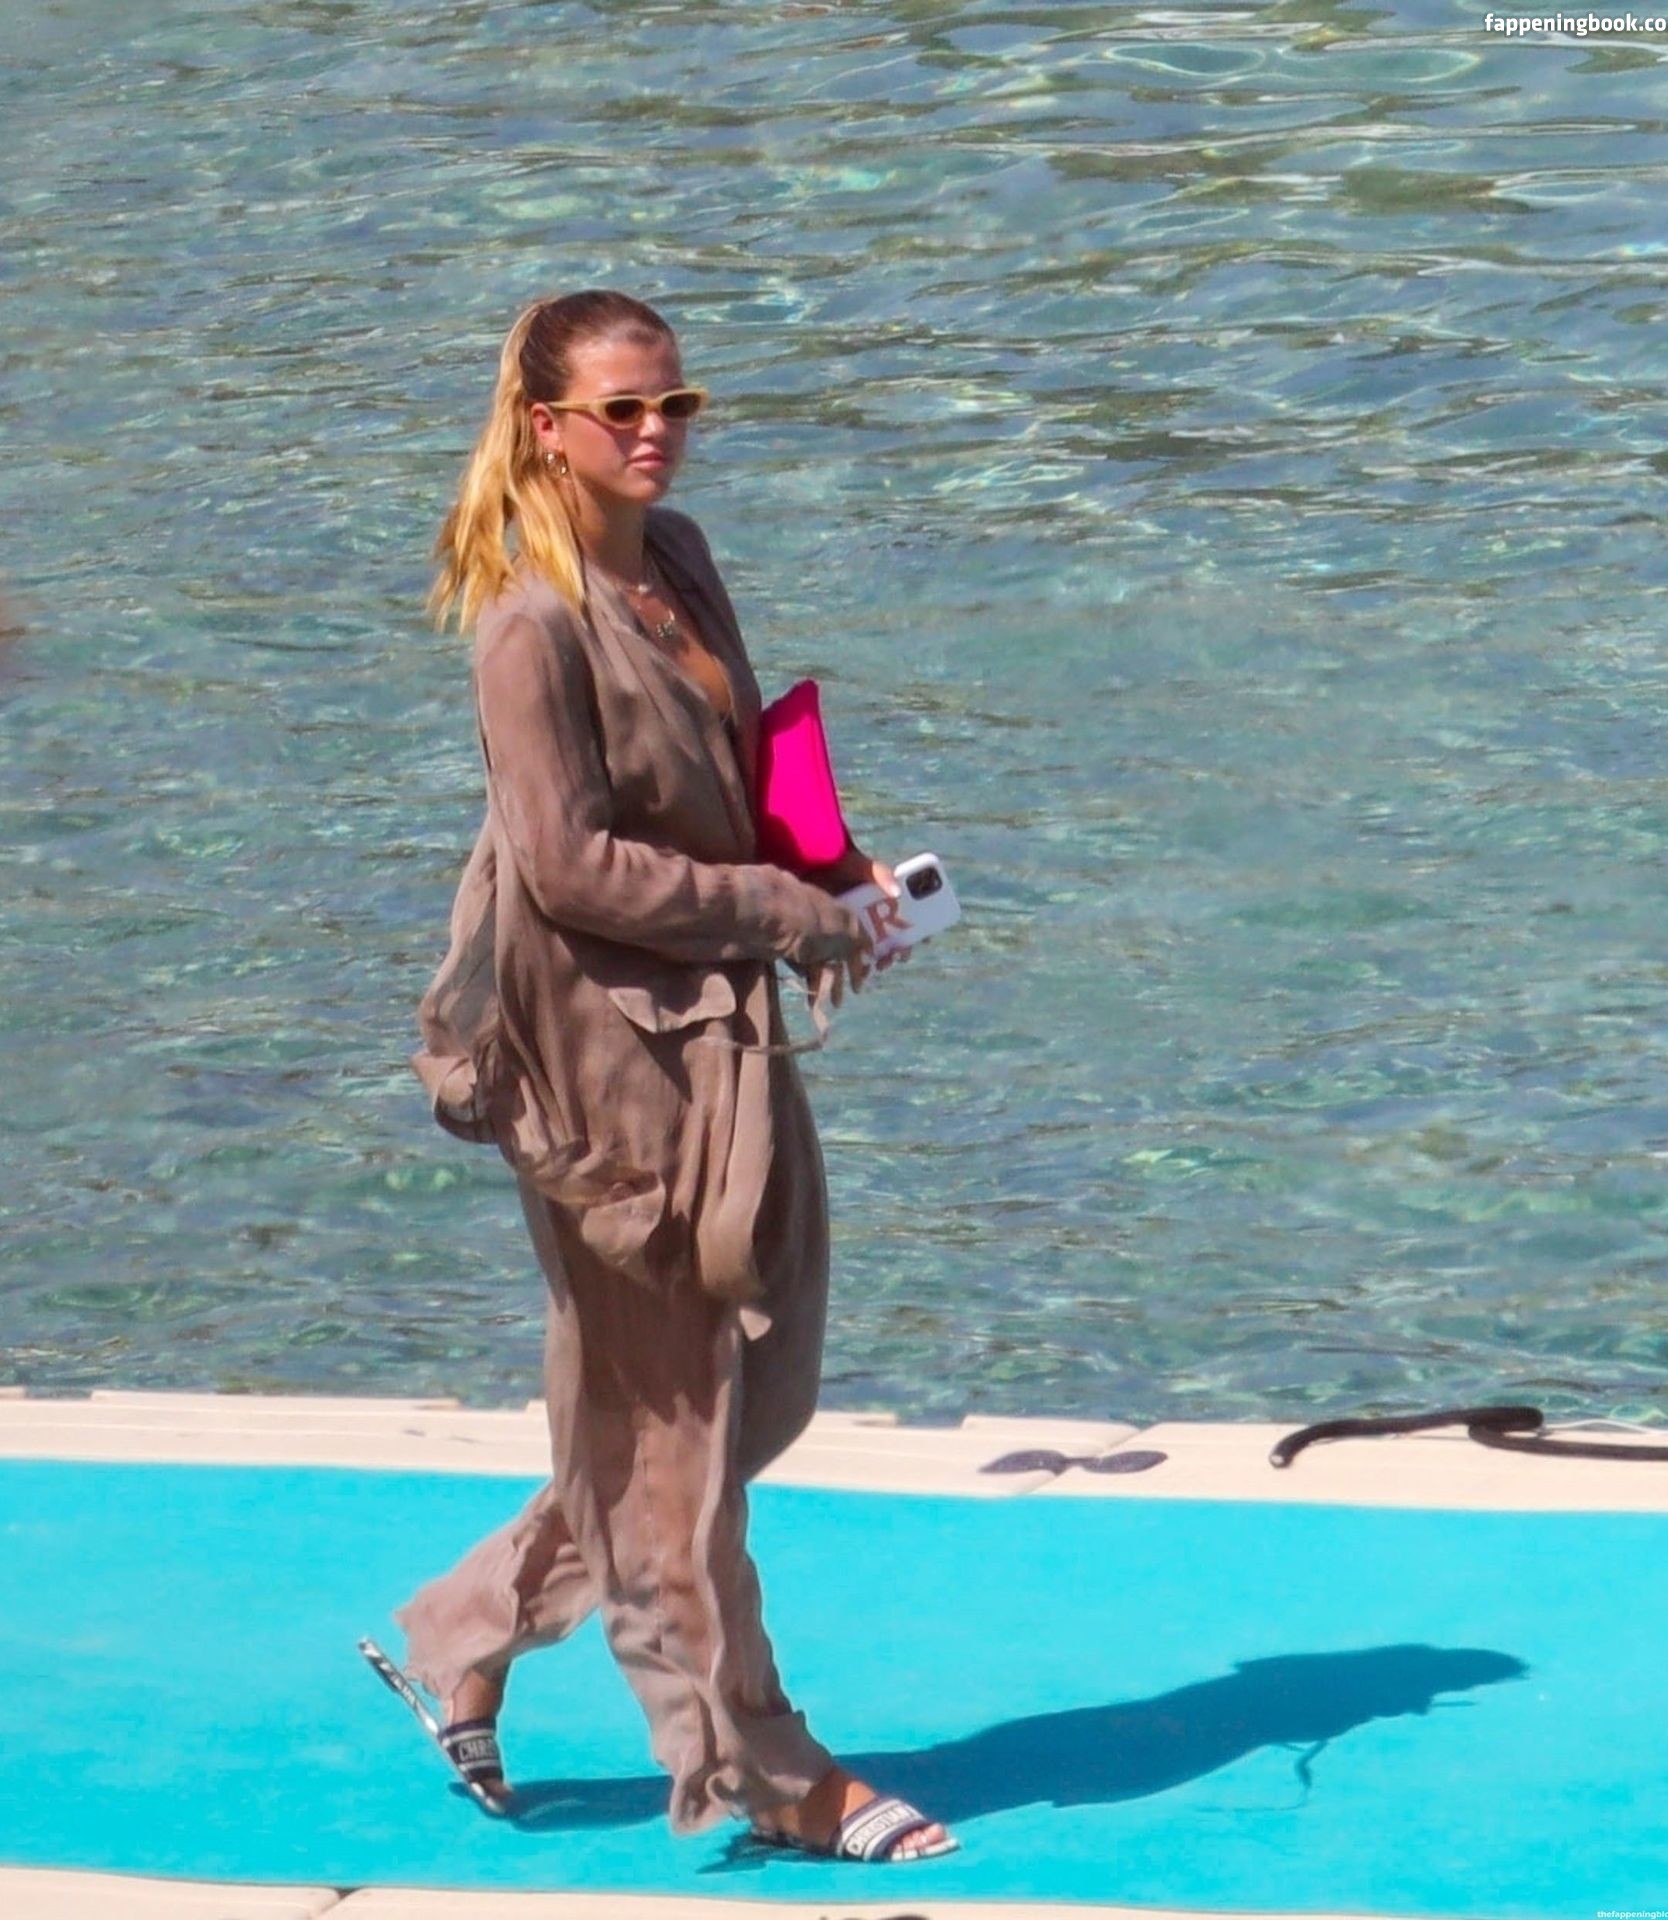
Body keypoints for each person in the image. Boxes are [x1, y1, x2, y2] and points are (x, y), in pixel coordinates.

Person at [379, 290, 957, 1865]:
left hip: (726, 1019)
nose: (655, 432)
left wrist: (830, 876)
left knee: (757, 1393)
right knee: (677, 1427)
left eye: (675, 405)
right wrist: (772, 910)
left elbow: (731, 775)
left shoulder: (681, 560)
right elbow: (567, 869)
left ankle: (470, 1623)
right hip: (600, 1060)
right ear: (546, 427)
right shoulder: (529, 628)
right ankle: (765, 1770)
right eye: (622, 410)